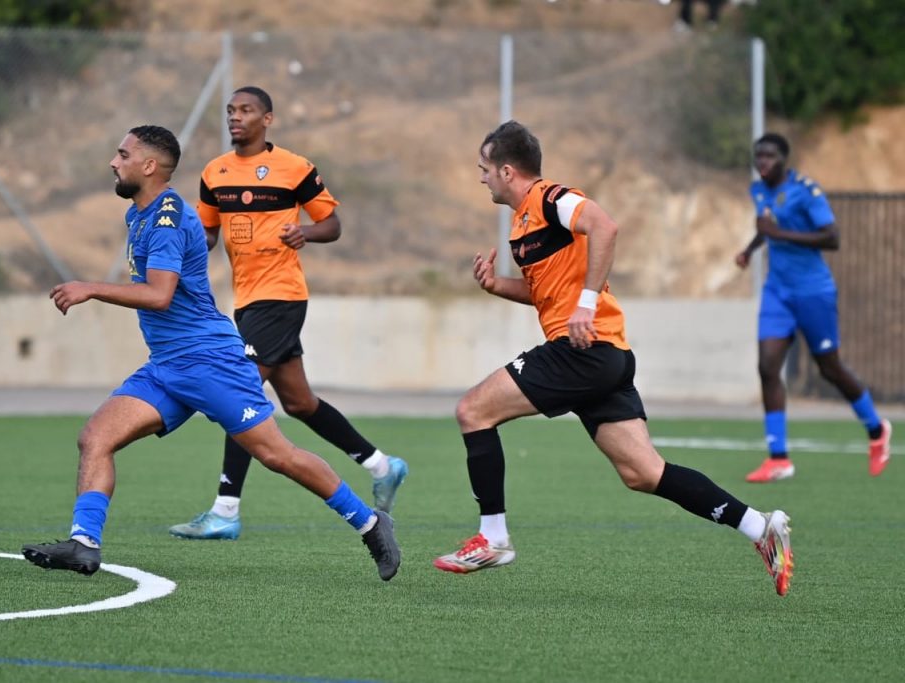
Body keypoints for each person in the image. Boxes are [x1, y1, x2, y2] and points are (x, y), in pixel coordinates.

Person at [21, 125, 400, 581]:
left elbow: (160, 295)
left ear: (149, 166)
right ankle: (83, 544)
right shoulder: (139, 215)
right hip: (167, 366)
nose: (113, 162)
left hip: (210, 362)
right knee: (95, 438)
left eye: (122, 154)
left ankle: (370, 524)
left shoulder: (166, 217)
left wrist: (91, 288)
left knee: (277, 455)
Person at [432, 120, 793, 596]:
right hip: (604, 355)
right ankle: (759, 526)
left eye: (484, 168)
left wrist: (586, 304)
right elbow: (547, 293)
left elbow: (604, 225)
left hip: (584, 350)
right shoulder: (522, 223)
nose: (480, 177)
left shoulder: (550, 198)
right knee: (644, 473)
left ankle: (493, 537)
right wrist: (498, 285)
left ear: (506, 170)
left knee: (473, 410)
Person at [168, 86, 407, 541]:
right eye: (230, 111)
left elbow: (332, 224)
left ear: (267, 119)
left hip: (281, 296)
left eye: (246, 110)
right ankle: (382, 466)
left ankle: (225, 510)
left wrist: (305, 233)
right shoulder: (214, 172)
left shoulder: (295, 168)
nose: (235, 117)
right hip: (248, 299)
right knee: (298, 402)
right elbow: (208, 235)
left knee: (238, 390)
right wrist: (177, 252)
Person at [736, 132, 891, 482]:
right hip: (777, 292)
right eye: (758, 156)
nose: (762, 162)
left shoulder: (806, 191)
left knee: (829, 368)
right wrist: (750, 249)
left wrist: (777, 235)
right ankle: (778, 458)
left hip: (813, 292)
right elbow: (768, 226)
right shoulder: (758, 190)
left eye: (769, 156)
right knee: (767, 366)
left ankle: (876, 428)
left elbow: (832, 237)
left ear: (784, 160)